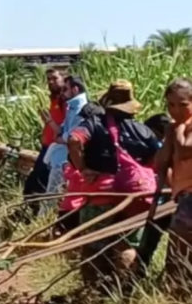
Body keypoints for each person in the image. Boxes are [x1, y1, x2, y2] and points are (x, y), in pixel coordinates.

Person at [65, 80, 159, 282]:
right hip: (135, 195)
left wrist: (83, 169)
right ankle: (124, 293)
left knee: (93, 244)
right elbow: (157, 158)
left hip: (101, 193)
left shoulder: (94, 123)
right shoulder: (143, 130)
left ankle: (92, 295)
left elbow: (73, 140)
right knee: (127, 244)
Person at [154, 79, 192, 285]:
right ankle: (178, 292)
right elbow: (161, 161)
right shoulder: (175, 128)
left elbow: (186, 148)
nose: (176, 110)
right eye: (171, 105)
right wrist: (169, 138)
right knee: (179, 247)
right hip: (184, 195)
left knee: (182, 245)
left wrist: (175, 131)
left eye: (183, 104)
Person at [25, 68, 69, 198]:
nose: (51, 82)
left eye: (55, 78)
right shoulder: (54, 99)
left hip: (57, 149)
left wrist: (49, 122)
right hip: (48, 147)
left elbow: (66, 128)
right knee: (36, 184)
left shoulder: (65, 101)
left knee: (38, 185)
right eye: (49, 79)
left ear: (64, 79)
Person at [44, 76, 90, 198]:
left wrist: (60, 138)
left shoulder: (80, 109)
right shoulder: (72, 107)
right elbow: (62, 131)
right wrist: (50, 122)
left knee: (52, 198)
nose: (62, 92)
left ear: (75, 90)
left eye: (65, 89)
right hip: (61, 160)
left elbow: (71, 136)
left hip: (66, 161)